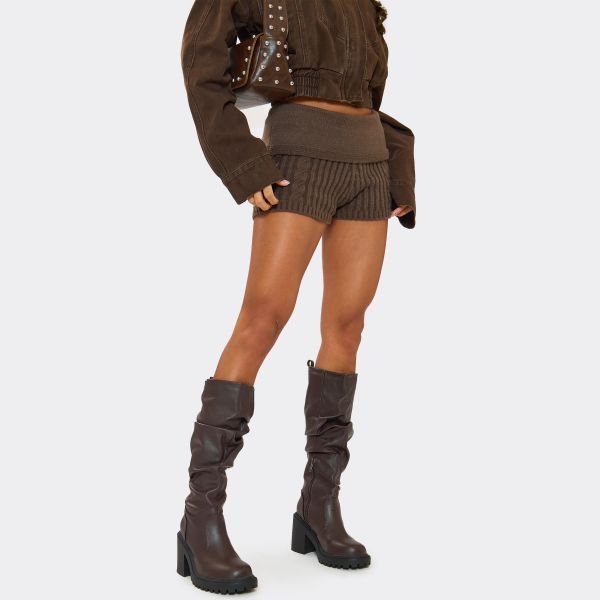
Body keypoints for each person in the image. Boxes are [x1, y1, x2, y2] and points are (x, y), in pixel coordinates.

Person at [176, 0, 416, 593]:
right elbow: (202, 63)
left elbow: (370, 89)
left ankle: (319, 505)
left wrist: (398, 169)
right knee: (263, 317)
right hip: (297, 154)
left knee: (348, 326)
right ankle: (201, 515)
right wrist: (240, 159)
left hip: (368, 160)